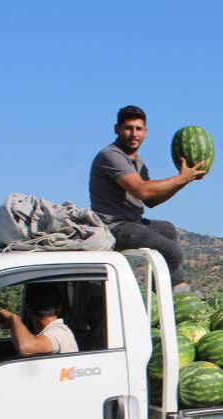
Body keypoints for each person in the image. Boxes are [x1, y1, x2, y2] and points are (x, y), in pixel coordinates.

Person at [89, 105, 206, 291]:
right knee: (171, 250)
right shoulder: (111, 156)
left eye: (138, 129)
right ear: (117, 129)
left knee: (167, 229)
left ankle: (175, 286)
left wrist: (185, 179)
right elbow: (141, 191)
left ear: (145, 132)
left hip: (132, 222)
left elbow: (151, 201)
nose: (133, 134)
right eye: (128, 128)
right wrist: (181, 178)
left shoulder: (137, 161)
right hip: (113, 226)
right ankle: (163, 297)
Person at [0, 284, 78, 355]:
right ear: (59, 309)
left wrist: (13, 318)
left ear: (28, 311)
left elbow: (25, 347)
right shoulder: (54, 332)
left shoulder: (59, 332)